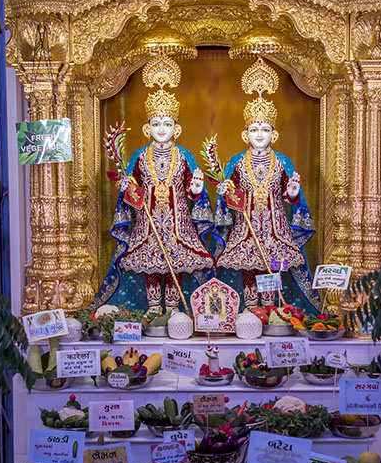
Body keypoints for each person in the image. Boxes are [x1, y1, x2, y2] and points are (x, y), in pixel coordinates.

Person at [94, 57, 214, 310]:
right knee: (150, 265)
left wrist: (195, 190)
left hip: (178, 224)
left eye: (167, 124)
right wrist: (127, 189)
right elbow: (130, 194)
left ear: (177, 129)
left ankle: (172, 308)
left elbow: (195, 191)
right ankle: (152, 309)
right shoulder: (139, 156)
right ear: (146, 128)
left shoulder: (184, 156)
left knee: (175, 264)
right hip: (147, 224)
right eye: (156, 124)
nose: (161, 129)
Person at [213, 58, 320, 312]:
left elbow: (291, 195)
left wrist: (292, 194)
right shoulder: (237, 162)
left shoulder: (282, 161)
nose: (259, 134)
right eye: (254, 129)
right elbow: (229, 198)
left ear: (274, 134)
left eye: (264, 129)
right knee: (249, 268)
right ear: (245, 134)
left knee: (273, 267)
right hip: (246, 229)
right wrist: (226, 193)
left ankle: (270, 308)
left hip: (275, 228)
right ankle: (252, 309)